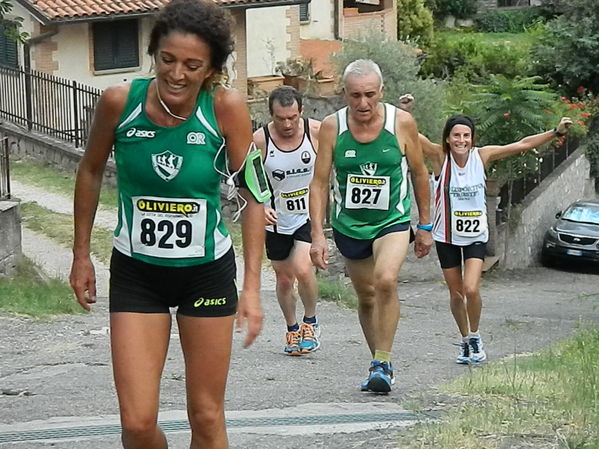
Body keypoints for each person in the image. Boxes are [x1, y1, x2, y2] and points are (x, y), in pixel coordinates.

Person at [68, 1, 266, 448]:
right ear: (154, 55)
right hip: (138, 273)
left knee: (207, 416)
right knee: (137, 424)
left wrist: (251, 287)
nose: (177, 74)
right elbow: (90, 169)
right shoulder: (119, 102)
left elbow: (256, 195)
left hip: (206, 273)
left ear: (211, 70)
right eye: (167, 60)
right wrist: (81, 254)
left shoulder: (225, 109)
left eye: (192, 65)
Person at [399, 94, 572, 364]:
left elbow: (522, 145)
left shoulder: (482, 156)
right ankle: (465, 340)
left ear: (472, 138)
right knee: (455, 293)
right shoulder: (438, 158)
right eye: (456, 136)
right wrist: (404, 110)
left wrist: (555, 132)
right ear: (447, 138)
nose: (461, 141)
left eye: (466, 136)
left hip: (474, 237)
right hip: (446, 236)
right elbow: (410, 134)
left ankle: (476, 336)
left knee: (471, 289)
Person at [309, 59, 433, 394]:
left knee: (385, 280)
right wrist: (318, 235)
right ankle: (380, 364)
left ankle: (382, 360)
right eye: (355, 96)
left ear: (381, 92)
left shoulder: (401, 123)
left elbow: (420, 173)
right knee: (365, 296)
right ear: (344, 94)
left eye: (369, 95)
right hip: (350, 225)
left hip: (390, 221)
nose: (363, 103)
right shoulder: (332, 127)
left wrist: (425, 225)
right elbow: (319, 183)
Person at [253, 86, 322, 356]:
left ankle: (311, 322)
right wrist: (259, 207)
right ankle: (292, 328)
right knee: (283, 279)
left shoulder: (316, 132)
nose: (287, 124)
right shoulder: (260, 140)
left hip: (308, 215)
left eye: (292, 117)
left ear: (301, 112)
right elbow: (247, 177)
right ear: (271, 115)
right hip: (276, 218)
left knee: (303, 268)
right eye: (280, 118)